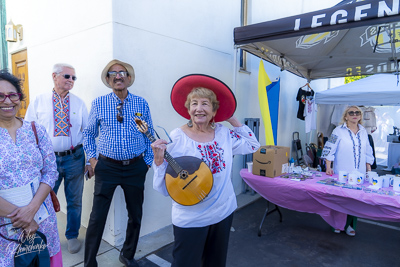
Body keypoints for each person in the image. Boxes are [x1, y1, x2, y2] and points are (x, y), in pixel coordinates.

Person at [151, 74, 260, 267]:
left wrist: (232, 118)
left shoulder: (223, 134)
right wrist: (159, 162)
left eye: (205, 104)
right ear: (188, 109)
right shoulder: (178, 137)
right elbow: (163, 188)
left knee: (215, 263)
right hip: (191, 217)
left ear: (213, 110)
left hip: (223, 212)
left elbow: (253, 145)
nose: (199, 109)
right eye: (194, 104)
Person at [83, 59, 154, 267]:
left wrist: (147, 162)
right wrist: (93, 160)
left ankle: (127, 255)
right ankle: (89, 262)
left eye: (122, 72)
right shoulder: (99, 103)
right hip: (107, 167)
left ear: (129, 78)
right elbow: (88, 134)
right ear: (108, 80)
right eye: (113, 74)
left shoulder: (141, 103)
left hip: (135, 167)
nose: (118, 76)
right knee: (97, 217)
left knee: (135, 215)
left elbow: (149, 134)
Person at [25, 63, 90, 254]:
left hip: (74, 158)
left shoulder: (79, 103)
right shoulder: (39, 101)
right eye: (67, 76)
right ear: (54, 76)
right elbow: (29, 131)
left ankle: (72, 236)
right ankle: (41, 236)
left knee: (74, 200)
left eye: (74, 78)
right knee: (42, 199)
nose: (71, 81)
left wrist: (88, 161)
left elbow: (87, 132)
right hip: (47, 160)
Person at [0, 70, 62, 266]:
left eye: (12, 95)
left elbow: (51, 171)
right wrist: (25, 218)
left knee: (45, 258)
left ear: (19, 97)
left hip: (43, 217)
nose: (7, 101)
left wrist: (32, 209)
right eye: (0, 96)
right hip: (6, 225)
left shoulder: (35, 130)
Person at [322, 105, 374, 236]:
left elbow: (368, 152)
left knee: (354, 200)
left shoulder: (363, 132)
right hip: (343, 172)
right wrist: (328, 167)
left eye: (357, 113)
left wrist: (368, 170)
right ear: (346, 116)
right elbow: (329, 148)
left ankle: (350, 225)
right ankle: (336, 224)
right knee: (340, 199)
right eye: (351, 113)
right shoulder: (337, 131)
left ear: (360, 116)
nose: (354, 115)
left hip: (359, 173)